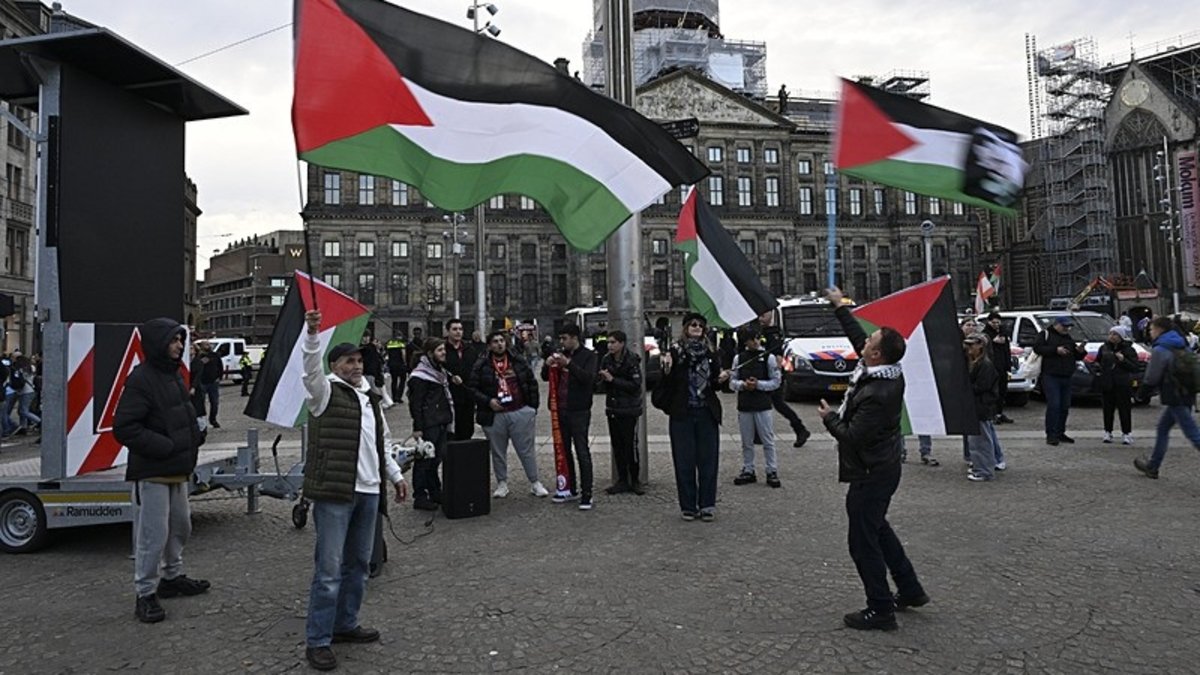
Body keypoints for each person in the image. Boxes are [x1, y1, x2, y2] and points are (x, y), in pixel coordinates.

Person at [299, 310, 407, 672]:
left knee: (359, 564)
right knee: (329, 569)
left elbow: (382, 441)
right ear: (335, 365)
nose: (357, 365)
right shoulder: (325, 392)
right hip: (335, 490)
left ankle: (345, 624)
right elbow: (310, 371)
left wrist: (394, 475)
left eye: (360, 360)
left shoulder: (372, 397)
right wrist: (313, 336)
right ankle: (318, 639)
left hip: (369, 489)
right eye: (349, 360)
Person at [816, 286, 927, 631]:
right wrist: (839, 307)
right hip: (882, 465)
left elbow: (852, 436)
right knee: (878, 527)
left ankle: (880, 609)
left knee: (862, 542)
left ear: (877, 355)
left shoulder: (878, 392)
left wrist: (829, 417)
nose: (863, 344)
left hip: (871, 472)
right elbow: (857, 338)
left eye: (869, 342)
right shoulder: (884, 370)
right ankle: (909, 588)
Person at [113, 318, 209, 624]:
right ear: (158, 344)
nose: (180, 346)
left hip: (177, 469)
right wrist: (166, 446)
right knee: (152, 536)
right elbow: (125, 427)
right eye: (174, 341)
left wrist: (194, 435)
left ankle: (172, 577)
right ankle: (145, 593)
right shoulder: (141, 378)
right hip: (153, 471)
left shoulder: (173, 375)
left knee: (180, 527)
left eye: (180, 341)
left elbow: (181, 414)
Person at [654, 312, 728, 522]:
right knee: (684, 461)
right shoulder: (675, 352)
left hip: (706, 412)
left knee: (708, 461)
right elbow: (666, 386)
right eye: (693, 325)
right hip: (682, 413)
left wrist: (720, 379)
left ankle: (707, 504)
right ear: (685, 328)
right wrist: (667, 369)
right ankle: (688, 506)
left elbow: (714, 384)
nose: (697, 327)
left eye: (700, 325)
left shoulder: (712, 354)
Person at [467, 331, 549, 499]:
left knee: (526, 450)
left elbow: (531, 382)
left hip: (519, 410)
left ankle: (535, 482)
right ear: (489, 345)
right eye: (495, 341)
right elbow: (472, 388)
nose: (499, 344)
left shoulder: (518, 360)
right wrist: (488, 401)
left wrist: (532, 408)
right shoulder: (481, 364)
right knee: (498, 451)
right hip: (494, 414)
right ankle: (502, 483)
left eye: (502, 341)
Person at [1133, 316, 1200, 479]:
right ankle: (1153, 466)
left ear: (1159, 330)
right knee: (1163, 428)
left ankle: (1153, 465)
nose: (1150, 332)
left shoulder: (1161, 349)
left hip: (1173, 394)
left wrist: (1141, 393)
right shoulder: (1182, 343)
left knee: (1193, 433)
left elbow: (1152, 377)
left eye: (1151, 329)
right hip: (1187, 392)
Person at [541, 323, 597, 509]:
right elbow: (545, 377)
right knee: (563, 451)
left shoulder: (589, 356)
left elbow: (588, 379)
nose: (562, 342)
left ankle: (587, 493)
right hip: (560, 409)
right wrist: (546, 364)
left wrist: (569, 365)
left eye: (565, 338)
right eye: (561, 339)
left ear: (575, 338)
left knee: (582, 450)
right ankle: (569, 488)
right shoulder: (560, 354)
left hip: (579, 409)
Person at [731, 325, 783, 488]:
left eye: (755, 339)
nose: (754, 342)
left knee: (768, 440)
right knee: (747, 441)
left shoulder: (769, 358)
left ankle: (771, 470)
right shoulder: (739, 359)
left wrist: (758, 385)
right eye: (750, 340)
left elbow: (776, 381)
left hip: (763, 405)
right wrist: (743, 385)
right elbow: (732, 382)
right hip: (745, 405)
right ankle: (748, 469)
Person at [408, 338, 453, 511]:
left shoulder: (440, 371)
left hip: (441, 420)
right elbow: (416, 404)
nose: (443, 353)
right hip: (429, 423)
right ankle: (420, 495)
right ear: (430, 353)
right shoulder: (419, 376)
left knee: (435, 460)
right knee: (424, 461)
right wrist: (418, 427)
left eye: (444, 350)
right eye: (440, 350)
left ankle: (435, 491)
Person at [598, 330, 644, 495]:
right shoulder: (606, 359)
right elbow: (601, 386)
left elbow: (635, 385)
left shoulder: (631, 360)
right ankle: (622, 480)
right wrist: (602, 379)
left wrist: (613, 380)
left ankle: (635, 480)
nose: (610, 345)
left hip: (629, 409)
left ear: (622, 343)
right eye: (609, 342)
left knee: (630, 446)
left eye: (613, 342)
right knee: (617, 446)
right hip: (613, 408)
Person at [757, 310, 812, 447]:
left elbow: (778, 358)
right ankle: (759, 434)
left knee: (778, 404)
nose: (760, 318)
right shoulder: (759, 331)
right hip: (761, 373)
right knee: (763, 405)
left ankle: (800, 429)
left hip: (772, 375)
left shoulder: (773, 334)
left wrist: (776, 376)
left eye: (764, 315)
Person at [1033, 317, 1086, 445]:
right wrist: (1055, 350)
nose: (1066, 329)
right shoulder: (1045, 335)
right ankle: (1051, 434)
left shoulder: (1068, 338)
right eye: (1064, 326)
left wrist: (1081, 351)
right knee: (1054, 405)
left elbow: (1076, 355)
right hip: (1051, 375)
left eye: (1068, 327)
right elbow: (1037, 348)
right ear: (1056, 325)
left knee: (1065, 406)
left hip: (1066, 376)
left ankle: (1060, 432)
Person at [963, 334, 1001, 482]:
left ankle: (984, 470)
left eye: (972, 345)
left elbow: (982, 387)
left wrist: (965, 387)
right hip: (978, 406)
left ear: (980, 346)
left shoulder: (985, 365)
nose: (968, 348)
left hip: (981, 406)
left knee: (981, 440)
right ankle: (982, 467)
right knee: (978, 440)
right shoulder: (975, 363)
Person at [442, 318, 481, 441]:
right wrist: (450, 378)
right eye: (454, 329)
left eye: (460, 329)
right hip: (448, 397)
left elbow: (476, 370)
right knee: (451, 432)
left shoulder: (469, 349)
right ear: (448, 331)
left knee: (467, 429)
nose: (458, 332)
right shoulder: (442, 349)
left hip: (467, 395)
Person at [1098, 325, 1137, 445]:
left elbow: (1134, 366)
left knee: (1124, 409)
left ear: (1121, 336)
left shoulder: (1129, 349)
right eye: (1110, 334)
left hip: (1122, 382)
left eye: (1115, 334)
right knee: (1107, 409)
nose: (1112, 336)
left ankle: (1126, 433)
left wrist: (1123, 360)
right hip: (1108, 382)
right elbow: (1098, 361)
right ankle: (1108, 432)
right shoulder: (1104, 347)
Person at [983, 312, 1014, 424]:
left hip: (1002, 366)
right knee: (993, 392)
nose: (996, 325)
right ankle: (993, 414)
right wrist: (993, 341)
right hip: (992, 366)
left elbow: (1007, 350)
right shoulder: (986, 334)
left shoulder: (1003, 332)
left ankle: (1000, 413)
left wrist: (1008, 365)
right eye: (994, 322)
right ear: (989, 322)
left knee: (1002, 391)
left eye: (998, 322)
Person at [190, 342, 223, 429]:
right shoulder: (199, 358)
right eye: (206, 344)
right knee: (201, 403)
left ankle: (213, 419)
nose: (208, 346)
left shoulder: (215, 355)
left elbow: (220, 366)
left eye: (209, 344)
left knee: (214, 403)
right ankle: (201, 421)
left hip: (213, 382)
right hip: (202, 382)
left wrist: (219, 376)